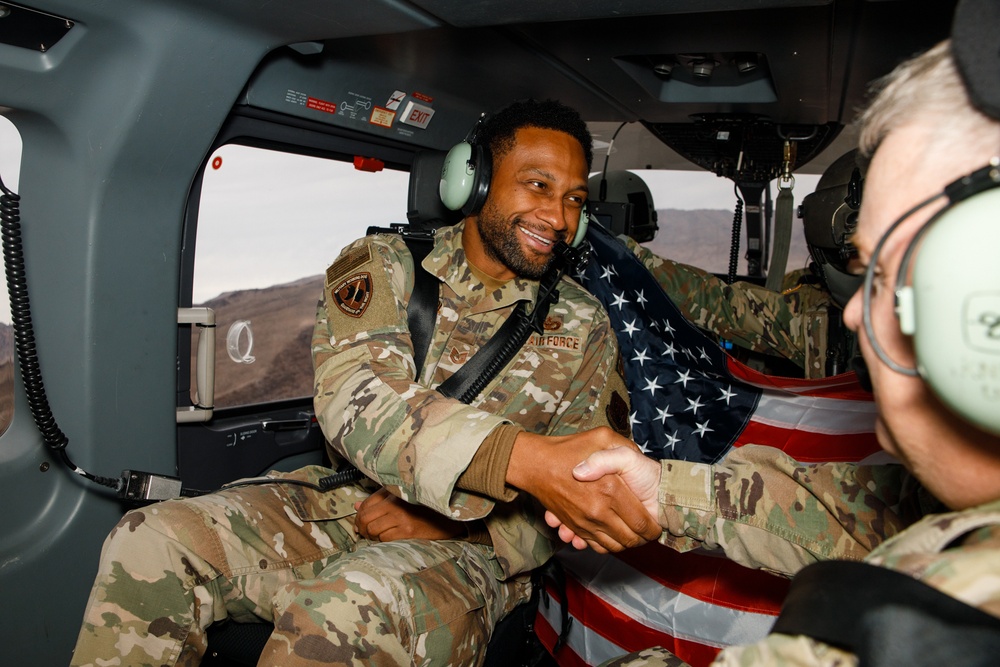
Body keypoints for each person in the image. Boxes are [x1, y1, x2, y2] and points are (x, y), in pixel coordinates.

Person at [70, 99, 658, 667]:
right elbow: (360, 396)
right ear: (474, 183)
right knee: (149, 540)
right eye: (538, 186)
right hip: (342, 503)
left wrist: (464, 524)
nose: (558, 218)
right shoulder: (386, 264)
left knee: (344, 610)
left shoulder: (583, 323)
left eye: (574, 199)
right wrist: (519, 460)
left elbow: (585, 490)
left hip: (474, 548)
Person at [546, 33, 1000, 666]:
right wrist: (672, 494)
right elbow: (867, 515)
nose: (853, 310)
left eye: (889, 275)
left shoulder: (949, 622)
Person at [613, 150, 863, 379]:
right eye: (857, 254)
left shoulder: (814, 314)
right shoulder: (811, 316)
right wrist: (627, 255)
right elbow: (716, 302)